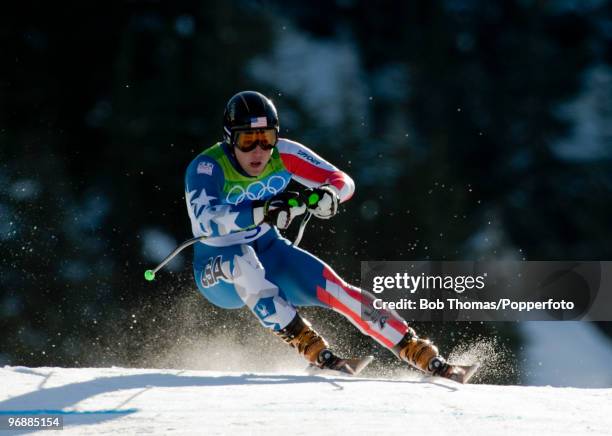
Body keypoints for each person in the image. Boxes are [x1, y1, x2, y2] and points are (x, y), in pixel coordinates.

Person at [185, 90, 470, 381]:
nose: (258, 150)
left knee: (338, 290)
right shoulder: (207, 167)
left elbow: (342, 180)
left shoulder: (284, 154)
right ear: (229, 139)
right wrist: (262, 210)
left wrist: (330, 195)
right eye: (247, 140)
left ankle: (417, 350)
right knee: (243, 261)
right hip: (218, 267)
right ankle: (311, 347)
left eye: (267, 138)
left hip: (269, 250)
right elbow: (207, 219)